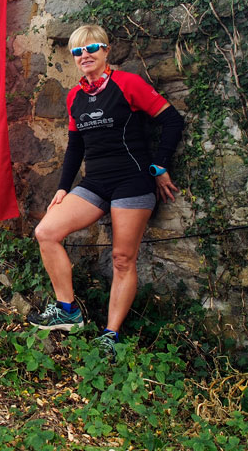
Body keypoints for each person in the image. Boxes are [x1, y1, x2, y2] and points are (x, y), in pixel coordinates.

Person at [29, 25, 184, 358]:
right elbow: (75, 148)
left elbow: (172, 121)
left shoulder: (128, 84)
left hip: (132, 181)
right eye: (77, 51)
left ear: (106, 50)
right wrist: (61, 188)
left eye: (92, 48)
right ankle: (67, 311)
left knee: (122, 258)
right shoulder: (75, 96)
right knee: (46, 232)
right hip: (94, 183)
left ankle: (110, 335)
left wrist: (159, 165)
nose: (84, 55)